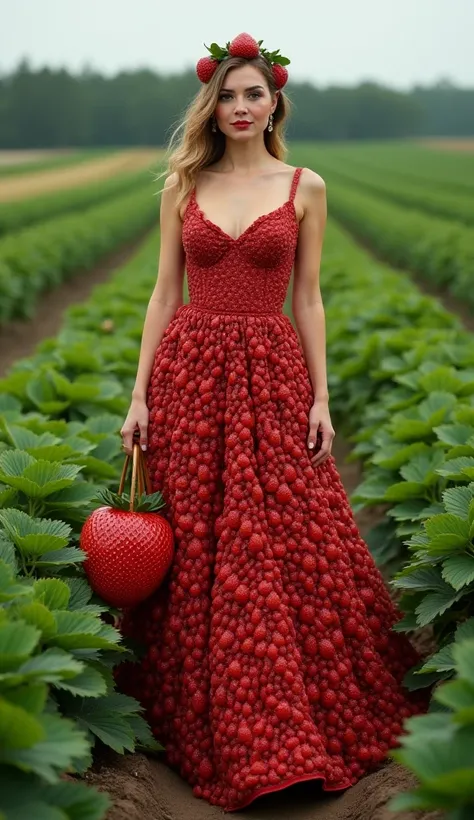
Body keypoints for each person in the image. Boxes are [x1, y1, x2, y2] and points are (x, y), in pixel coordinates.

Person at [115, 32, 430, 814]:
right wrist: (138, 394)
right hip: (191, 371)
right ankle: (200, 722)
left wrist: (321, 397)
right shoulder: (181, 186)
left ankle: (287, 726)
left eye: (254, 93)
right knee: (196, 541)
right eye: (227, 95)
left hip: (273, 372)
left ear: (275, 101)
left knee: (283, 534)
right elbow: (163, 294)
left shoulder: (306, 186)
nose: (241, 107)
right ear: (210, 108)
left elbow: (310, 298)